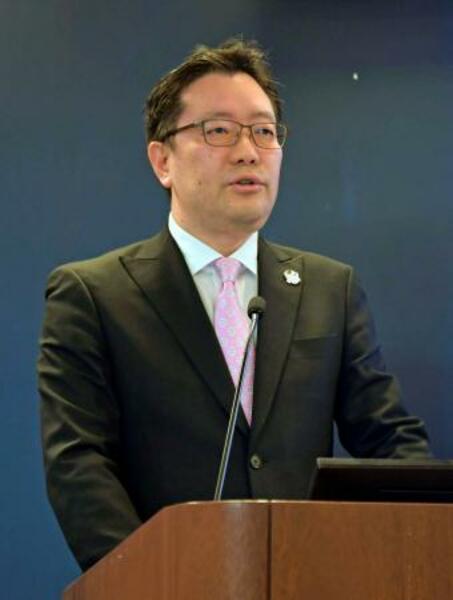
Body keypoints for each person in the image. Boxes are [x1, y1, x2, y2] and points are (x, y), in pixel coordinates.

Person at [38, 39, 430, 571]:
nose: (249, 151)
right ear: (162, 161)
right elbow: (79, 463)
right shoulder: (93, 294)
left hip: (309, 578)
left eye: (264, 132)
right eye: (219, 130)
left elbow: (391, 443)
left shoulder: (329, 289)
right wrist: (150, 580)